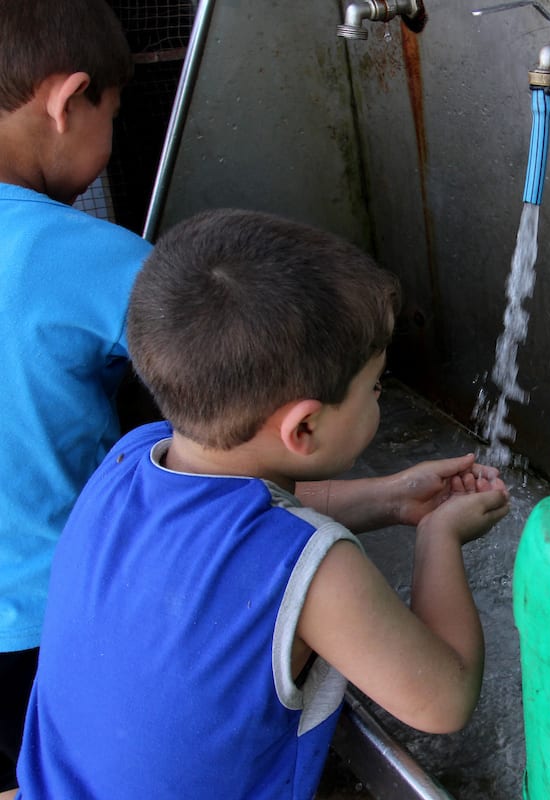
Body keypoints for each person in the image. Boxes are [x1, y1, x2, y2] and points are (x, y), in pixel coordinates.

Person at [16, 208, 511, 799]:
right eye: (375, 386)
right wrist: (439, 539)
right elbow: (445, 698)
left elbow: (240, 516)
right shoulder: (319, 570)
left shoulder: (132, 457)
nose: (380, 396)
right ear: (303, 429)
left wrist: (391, 498)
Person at [0, 0, 147, 790]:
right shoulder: (86, 253)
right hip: (51, 617)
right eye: (114, 114)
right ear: (68, 100)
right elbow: (238, 367)